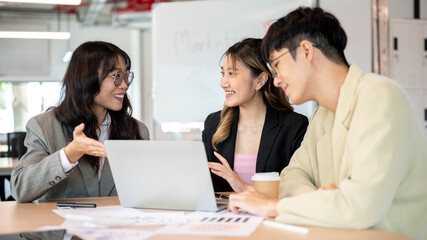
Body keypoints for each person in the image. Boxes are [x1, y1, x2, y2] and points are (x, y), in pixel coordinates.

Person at [228, 7, 427, 240]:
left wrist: (274, 207)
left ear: (306, 51)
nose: (277, 80)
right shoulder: (323, 114)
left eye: (277, 65)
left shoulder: (380, 95)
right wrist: (326, 202)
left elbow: (360, 207)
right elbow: (292, 177)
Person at [10, 41, 149, 203]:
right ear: (87, 78)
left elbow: (150, 188)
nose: (125, 85)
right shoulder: (44, 126)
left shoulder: (137, 130)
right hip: (64, 227)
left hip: (120, 226)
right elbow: (20, 189)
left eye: (126, 76)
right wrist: (68, 155)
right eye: (117, 76)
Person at [202, 38, 308, 192]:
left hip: (272, 215)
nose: (223, 82)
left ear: (260, 80)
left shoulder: (293, 127)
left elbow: (296, 191)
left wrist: (242, 186)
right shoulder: (213, 123)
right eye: (223, 73)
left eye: (231, 73)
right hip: (225, 215)